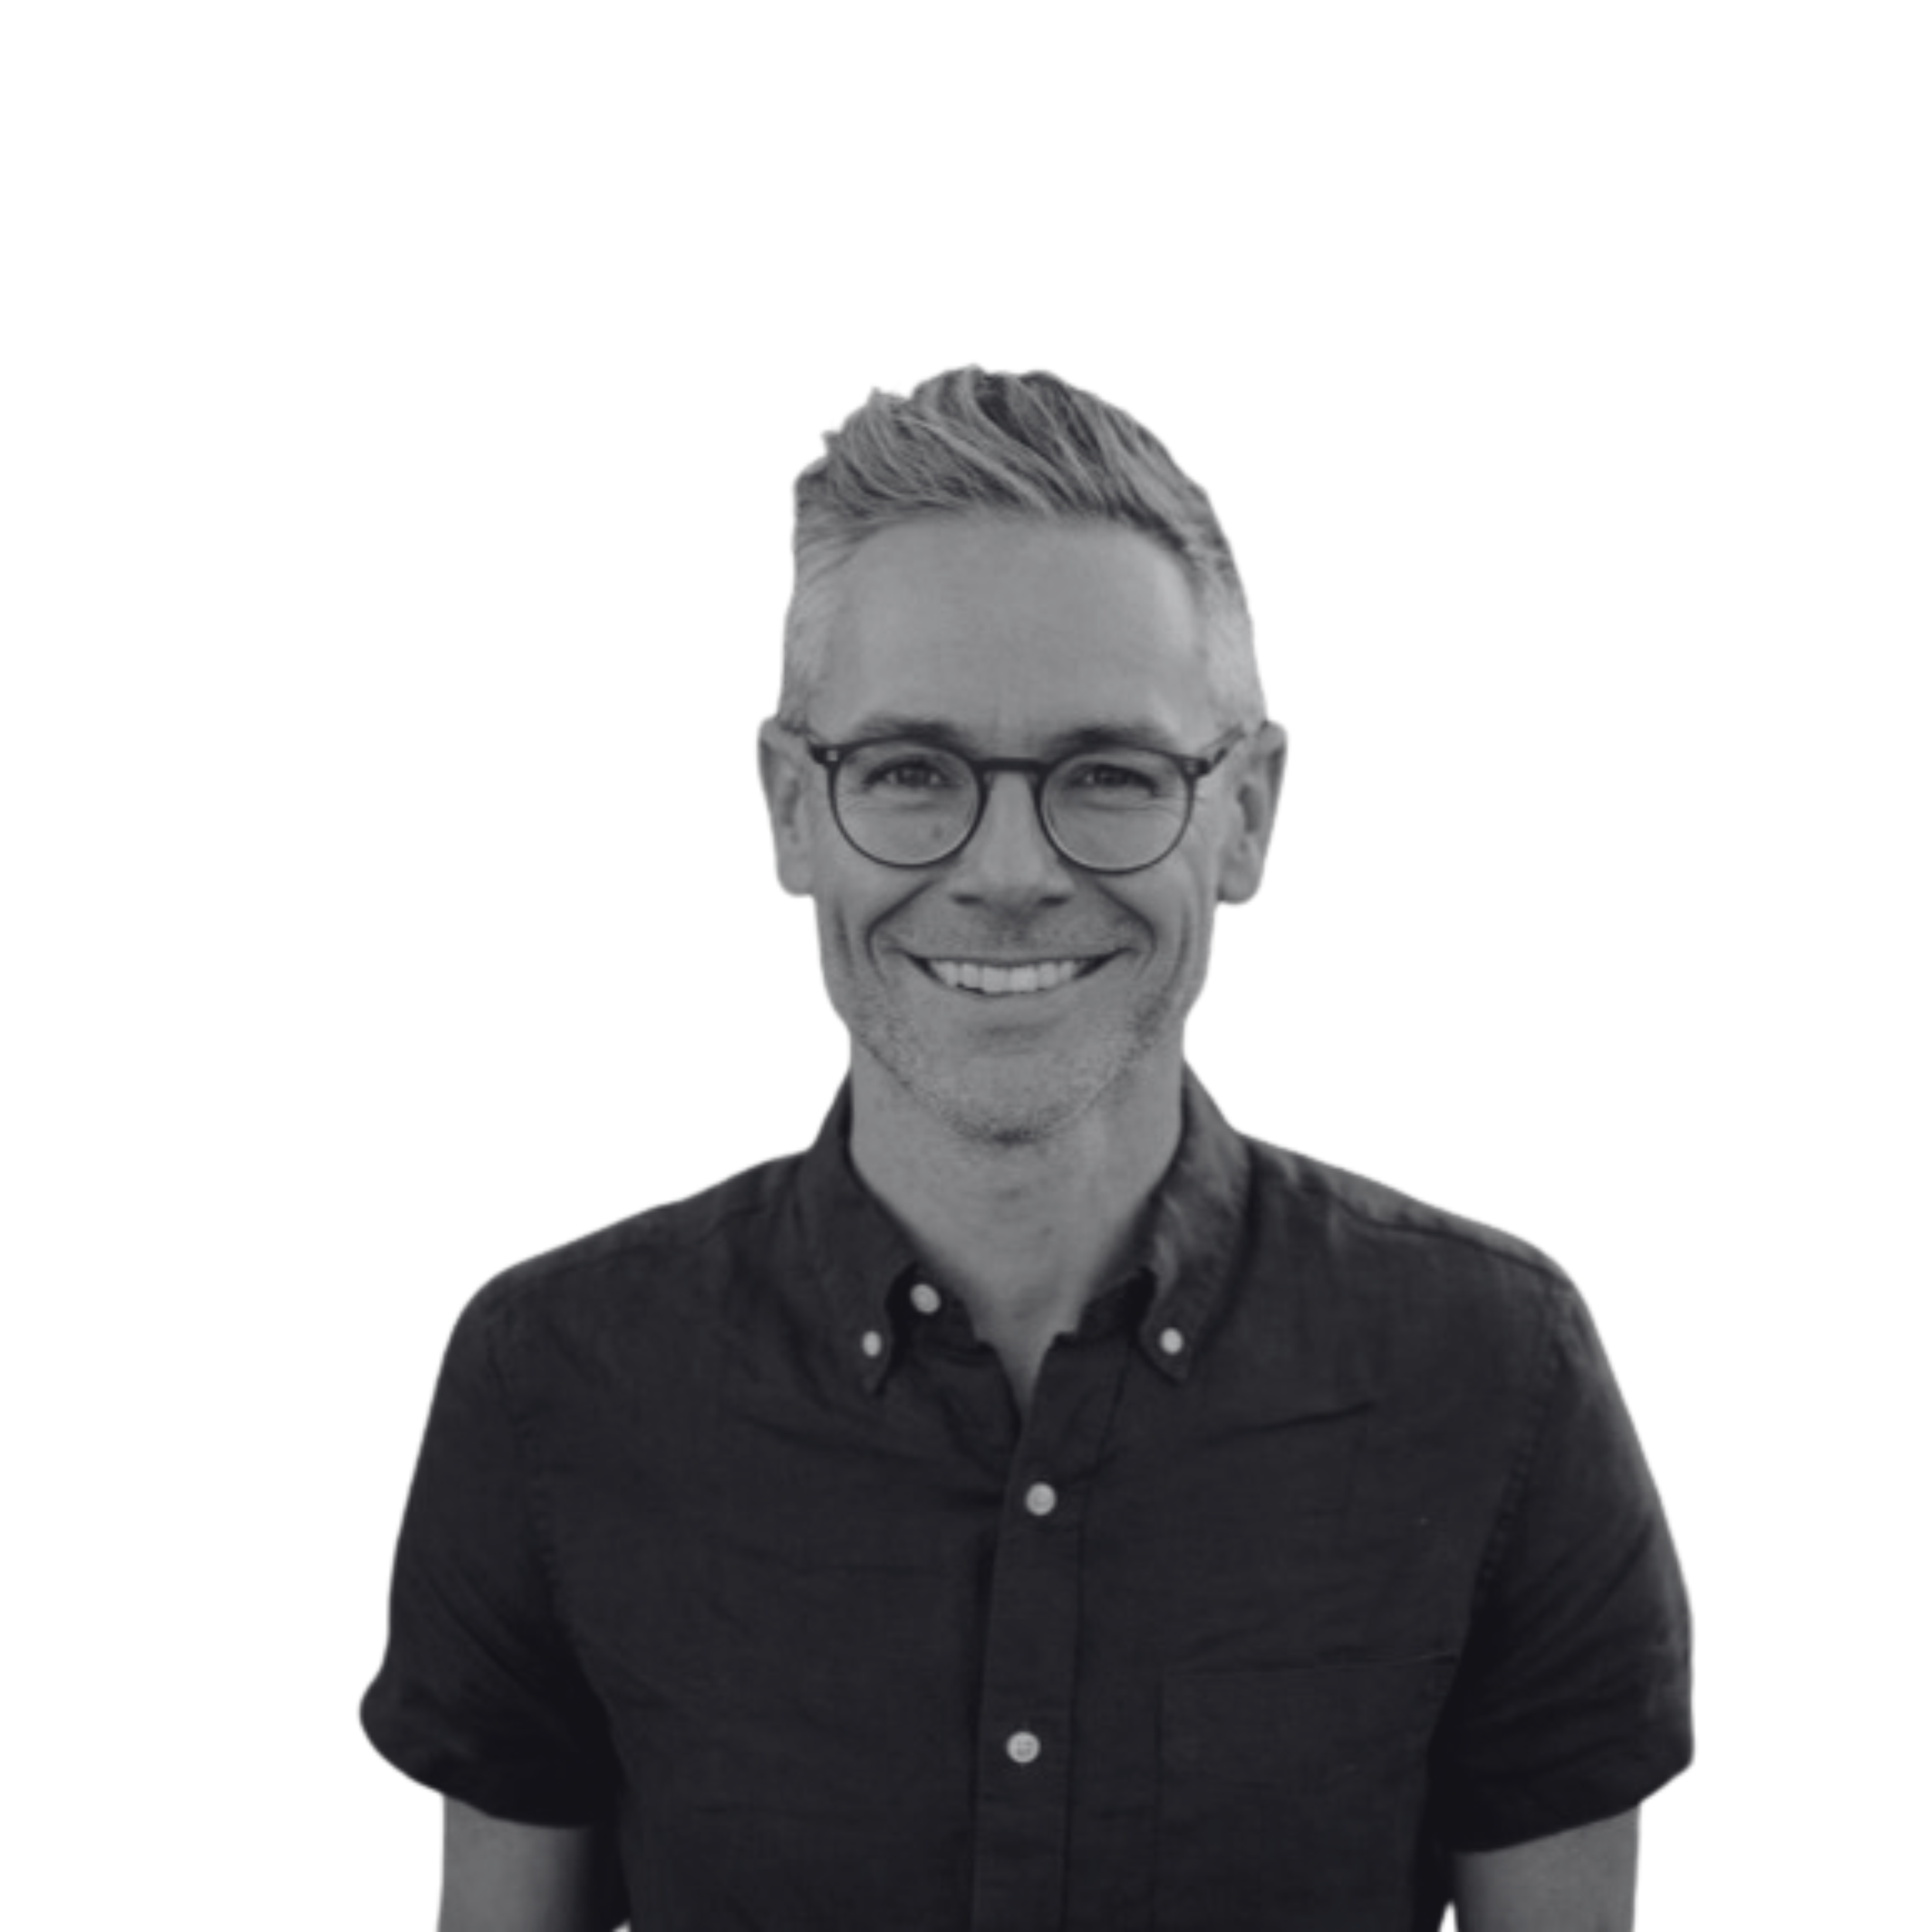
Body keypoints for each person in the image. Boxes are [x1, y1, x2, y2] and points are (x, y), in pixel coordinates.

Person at [362, 368, 1693, 1931]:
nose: (1006, 871)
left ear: (1246, 816)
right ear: (791, 811)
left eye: (1109, 774)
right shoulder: (555, 1383)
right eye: (908, 771)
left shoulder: (1492, 1377)